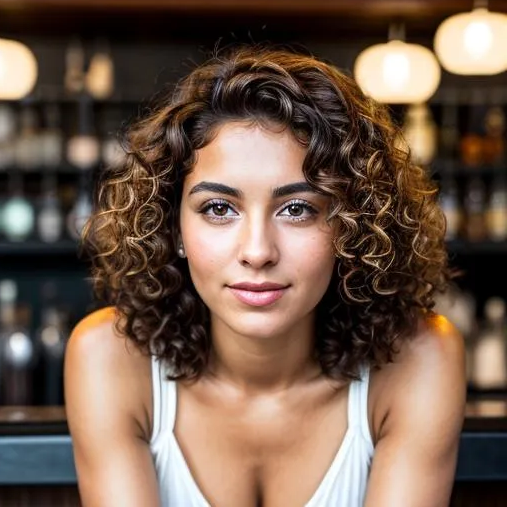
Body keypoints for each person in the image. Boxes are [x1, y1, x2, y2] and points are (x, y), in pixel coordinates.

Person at [64, 43, 466, 507]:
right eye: (218, 208)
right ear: (173, 226)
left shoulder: (418, 358)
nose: (257, 251)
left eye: (297, 209)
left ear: (352, 227)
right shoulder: (110, 358)